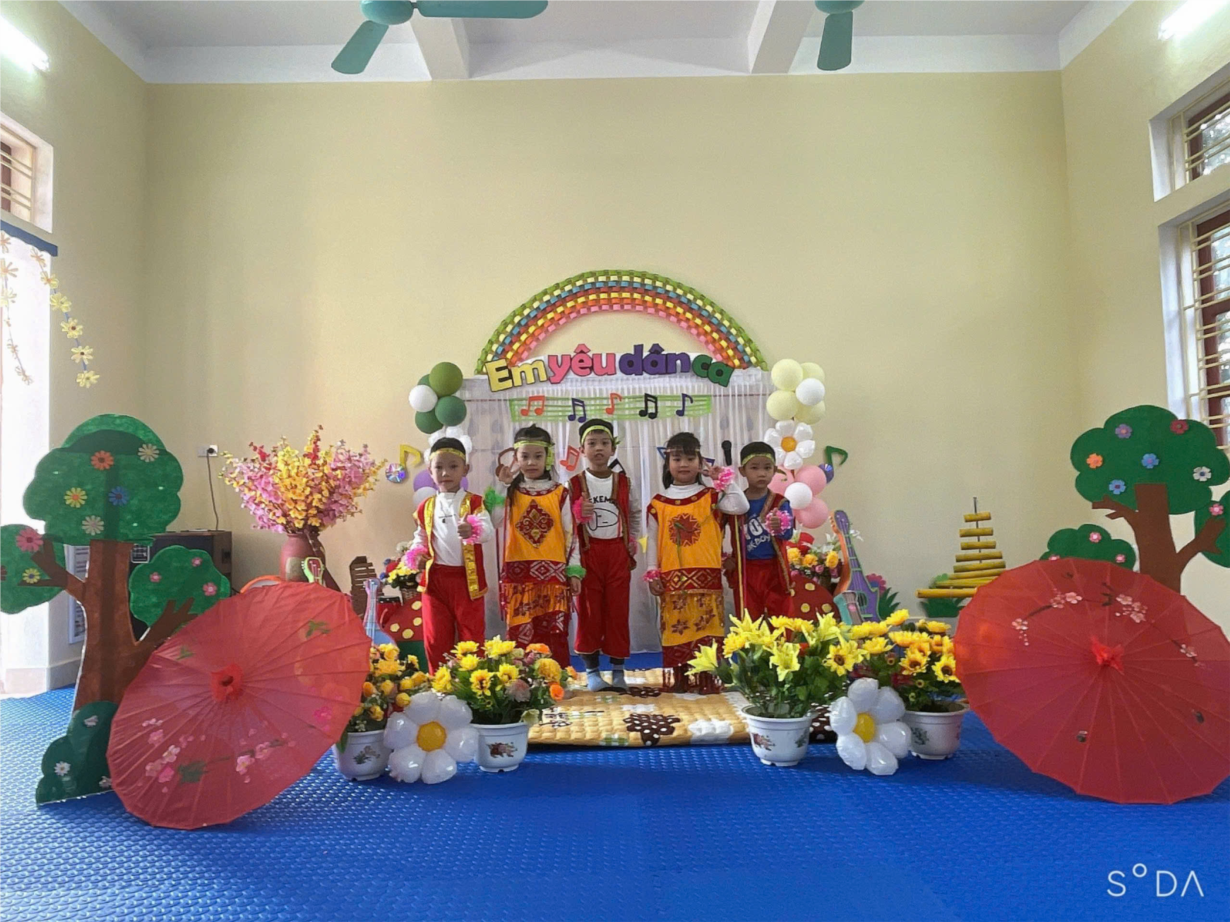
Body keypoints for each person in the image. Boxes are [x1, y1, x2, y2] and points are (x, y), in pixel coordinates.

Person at [646, 431, 748, 691]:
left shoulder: (712, 497)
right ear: (667, 464)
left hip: (706, 580)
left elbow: (741, 506)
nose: (683, 464)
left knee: (706, 629)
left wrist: (722, 481)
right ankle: (680, 677)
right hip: (672, 580)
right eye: (677, 459)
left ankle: (706, 678)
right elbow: (653, 541)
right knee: (676, 629)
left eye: (690, 459)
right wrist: (652, 571)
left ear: (700, 463)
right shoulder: (659, 503)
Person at [489, 425, 582, 667]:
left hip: (553, 578)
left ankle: (558, 677)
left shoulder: (560, 493)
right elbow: (494, 521)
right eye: (525, 456)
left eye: (538, 456)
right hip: (519, 578)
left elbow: (571, 535)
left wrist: (573, 570)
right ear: (516, 458)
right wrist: (502, 486)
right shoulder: (511, 492)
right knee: (520, 636)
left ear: (548, 457)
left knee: (554, 633)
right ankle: (524, 682)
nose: (531, 462)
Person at [408, 436, 494, 670]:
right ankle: (439, 682)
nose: (445, 473)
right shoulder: (426, 506)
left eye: (453, 466)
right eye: (439, 467)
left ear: (465, 469)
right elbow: (420, 537)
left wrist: (473, 529)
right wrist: (417, 554)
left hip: (467, 581)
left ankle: (473, 682)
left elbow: (487, 530)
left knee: (472, 636)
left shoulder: (475, 503)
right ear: (430, 471)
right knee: (435, 637)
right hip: (435, 582)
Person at [568, 418, 639, 691]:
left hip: (617, 553)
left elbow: (634, 513)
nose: (598, 448)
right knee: (589, 612)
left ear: (613, 449)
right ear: (582, 449)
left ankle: (619, 670)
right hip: (588, 554)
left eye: (604, 443)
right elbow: (565, 525)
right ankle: (592, 671)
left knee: (618, 611)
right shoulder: (573, 484)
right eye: (592, 443)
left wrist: (631, 539)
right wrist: (577, 515)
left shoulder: (624, 483)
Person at [726, 441, 795, 620]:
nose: (761, 473)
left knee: (781, 620)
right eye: (754, 468)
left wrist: (779, 527)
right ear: (742, 471)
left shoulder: (780, 502)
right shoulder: (734, 504)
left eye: (767, 468)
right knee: (748, 620)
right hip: (746, 570)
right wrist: (723, 558)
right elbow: (715, 531)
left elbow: (788, 534)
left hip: (774, 570)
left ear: (774, 470)